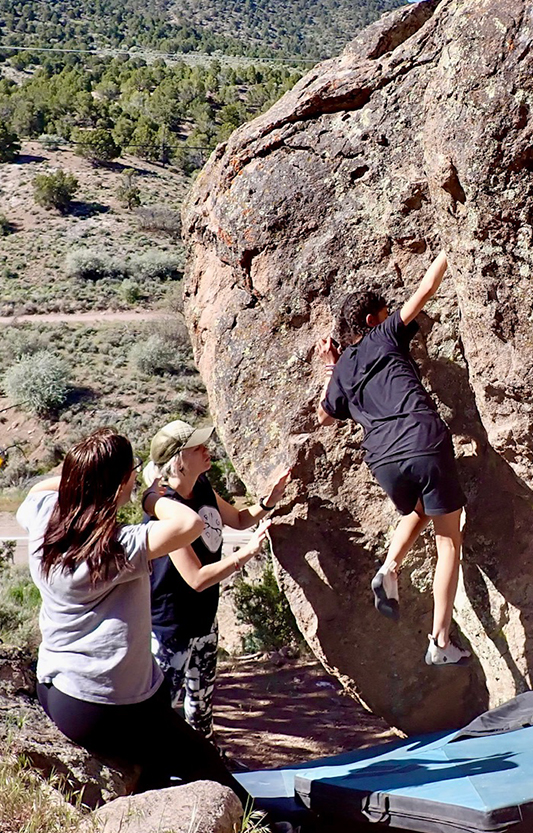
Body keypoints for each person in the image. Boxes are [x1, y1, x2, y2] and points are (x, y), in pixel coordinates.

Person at [16, 427, 251, 804]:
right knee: (202, 762)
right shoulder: (117, 548)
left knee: (158, 753)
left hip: (58, 690)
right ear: (123, 482)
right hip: (109, 703)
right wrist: (153, 496)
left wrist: (86, 475)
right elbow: (189, 525)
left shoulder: (46, 519)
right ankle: (271, 825)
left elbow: (35, 491)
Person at [316, 251, 471, 666]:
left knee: (420, 510)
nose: (389, 315)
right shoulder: (384, 333)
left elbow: (325, 416)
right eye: (384, 311)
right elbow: (426, 289)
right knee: (448, 542)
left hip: (383, 459)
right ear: (372, 320)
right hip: (421, 437)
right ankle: (439, 641)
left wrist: (334, 370)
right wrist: (447, 249)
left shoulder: (344, 368)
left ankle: (389, 566)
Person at [143, 419, 290, 742]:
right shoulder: (166, 511)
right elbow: (195, 578)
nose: (207, 451)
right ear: (178, 460)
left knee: (202, 709)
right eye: (198, 447)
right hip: (171, 628)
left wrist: (269, 501)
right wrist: (246, 554)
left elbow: (237, 519)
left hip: (204, 621)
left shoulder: (203, 487)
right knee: (162, 710)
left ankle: (205, 767)